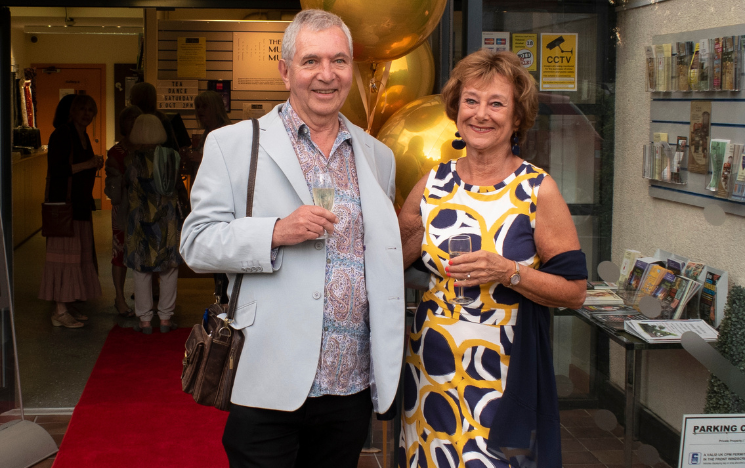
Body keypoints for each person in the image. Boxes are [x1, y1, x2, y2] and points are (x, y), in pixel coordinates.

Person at [179, 9, 404, 468]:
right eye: (311, 61)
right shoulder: (233, 145)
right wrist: (274, 232)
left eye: (339, 61)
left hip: (349, 383)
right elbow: (196, 244)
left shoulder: (378, 156)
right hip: (267, 377)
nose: (327, 75)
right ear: (285, 71)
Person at [397, 50, 587, 468]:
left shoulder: (538, 189)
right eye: (471, 101)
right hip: (431, 369)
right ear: (456, 109)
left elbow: (574, 292)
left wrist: (508, 271)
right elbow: (390, 259)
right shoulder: (432, 184)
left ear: (517, 118)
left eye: (497, 103)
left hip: (502, 375)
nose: (481, 114)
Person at [38, 94, 103, 328]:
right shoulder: (62, 134)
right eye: (82, 109)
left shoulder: (83, 135)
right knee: (63, 258)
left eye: (90, 110)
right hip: (64, 207)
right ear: (72, 112)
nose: (87, 114)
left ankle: (67, 303)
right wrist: (88, 164)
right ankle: (59, 309)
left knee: (77, 256)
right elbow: (57, 169)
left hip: (80, 205)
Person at [124, 114, 183, 334]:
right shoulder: (172, 156)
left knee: (141, 270)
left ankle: (145, 321)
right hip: (166, 219)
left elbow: (128, 184)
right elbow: (177, 184)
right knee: (169, 269)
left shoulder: (131, 159)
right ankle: (166, 319)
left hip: (140, 220)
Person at [192, 90, 233, 305]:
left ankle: (225, 305)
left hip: (223, 202)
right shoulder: (207, 132)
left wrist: (195, 157)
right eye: (197, 107)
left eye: (204, 106)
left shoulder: (225, 132)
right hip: (207, 201)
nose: (200, 112)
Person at [104, 105, 142, 318]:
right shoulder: (116, 152)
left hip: (144, 209)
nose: (134, 123)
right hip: (123, 209)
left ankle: (141, 295)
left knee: (141, 252)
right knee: (119, 253)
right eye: (130, 119)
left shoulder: (148, 148)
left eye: (138, 119)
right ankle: (119, 297)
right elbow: (116, 183)